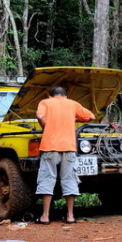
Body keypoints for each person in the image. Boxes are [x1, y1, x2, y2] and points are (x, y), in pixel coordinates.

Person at [35, 86, 95, 225]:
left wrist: (46, 126)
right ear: (65, 96)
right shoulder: (73, 104)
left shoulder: (45, 103)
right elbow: (91, 116)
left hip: (50, 146)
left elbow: (39, 115)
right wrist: (72, 119)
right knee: (69, 179)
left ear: (51, 96)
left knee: (48, 178)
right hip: (69, 147)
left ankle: (45, 217)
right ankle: (70, 216)